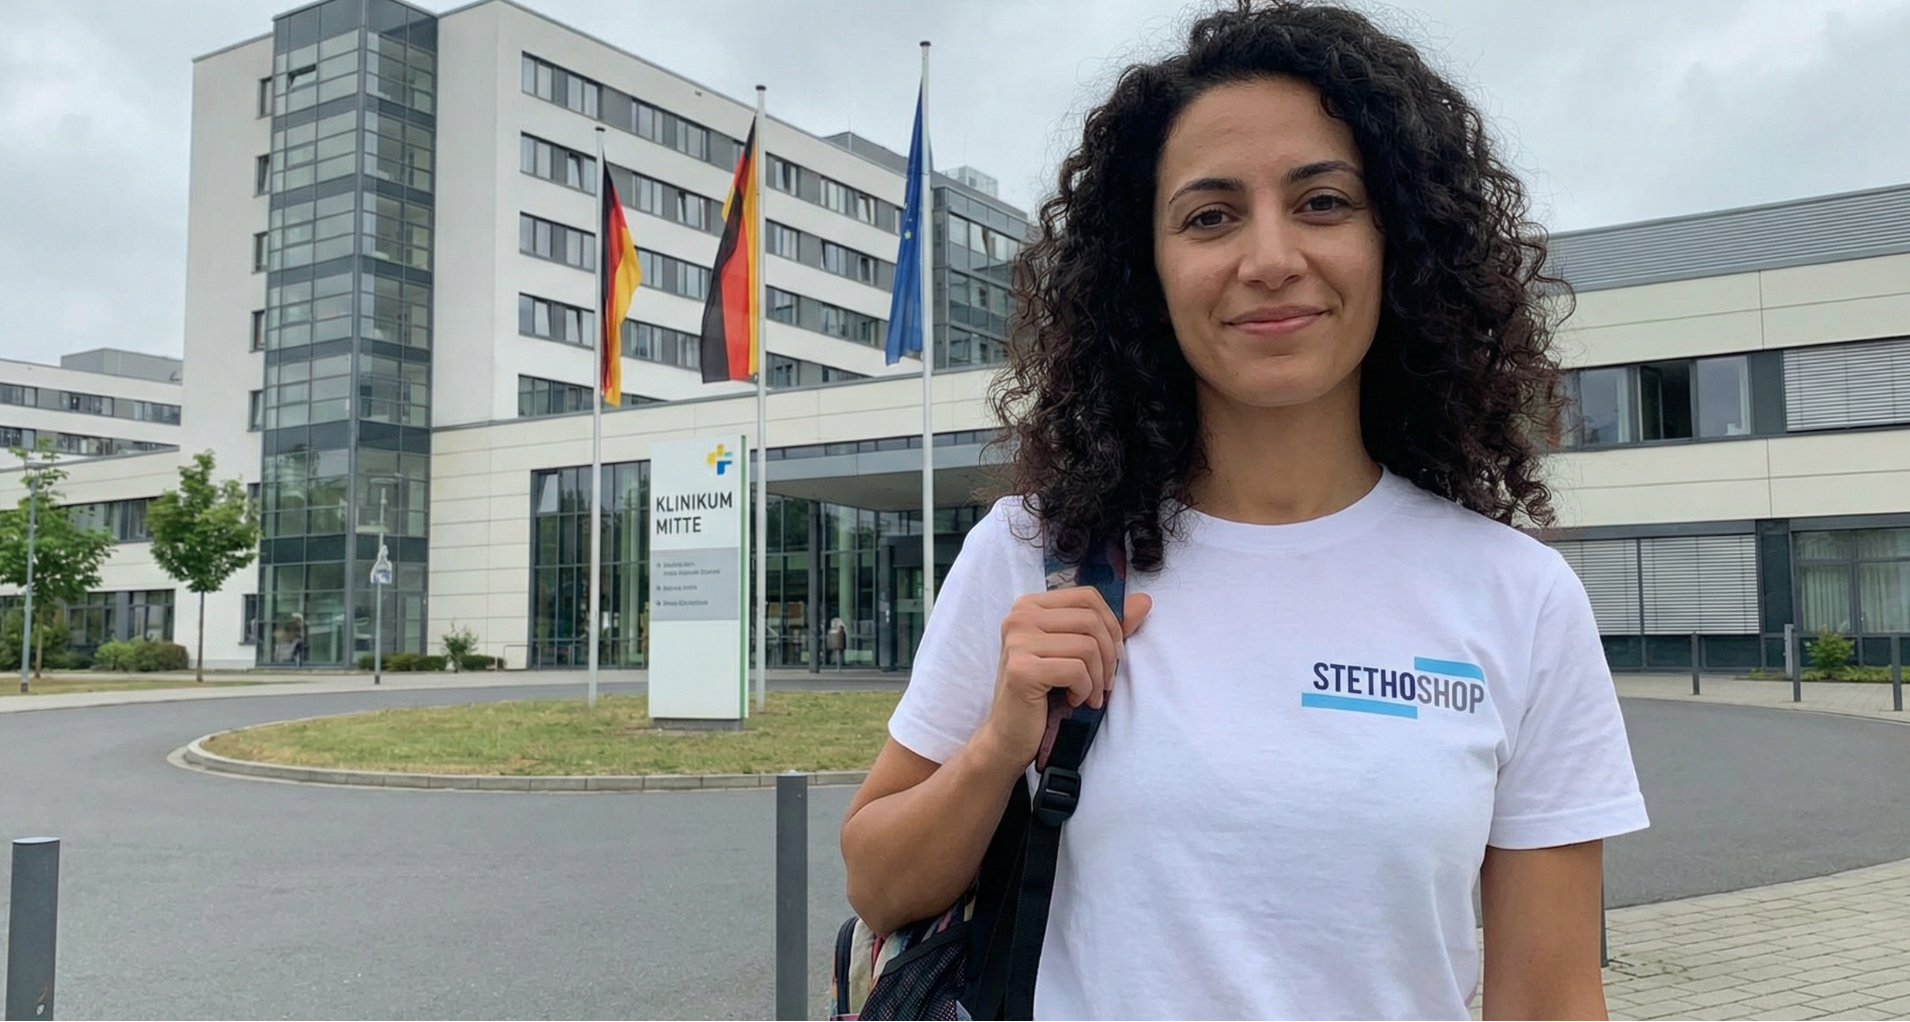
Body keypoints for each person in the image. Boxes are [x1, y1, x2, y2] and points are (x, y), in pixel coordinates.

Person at [839, 3, 1649, 1019]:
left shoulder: (1518, 596)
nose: (1268, 258)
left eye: (1322, 202)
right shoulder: (1036, 552)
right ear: (1146, 269)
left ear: (1397, 240)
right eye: (1209, 216)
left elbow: (1549, 996)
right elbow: (876, 884)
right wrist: (998, 746)